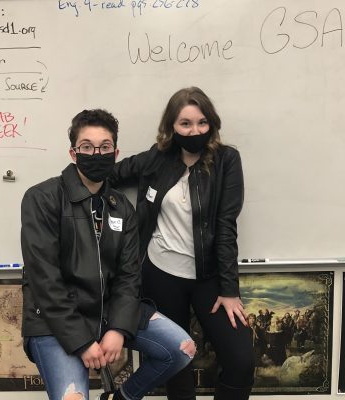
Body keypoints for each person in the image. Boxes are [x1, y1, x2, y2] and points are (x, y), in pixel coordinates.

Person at [20, 109, 196, 400]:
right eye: (87, 146)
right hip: (55, 320)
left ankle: (119, 398)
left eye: (104, 147)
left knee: (181, 349)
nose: (96, 153)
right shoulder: (42, 198)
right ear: (73, 153)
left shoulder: (122, 208)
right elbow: (45, 280)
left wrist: (117, 329)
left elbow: (129, 277)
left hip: (109, 313)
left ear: (115, 152)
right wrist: (81, 342)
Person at [109, 87, 255, 400]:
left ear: (212, 123)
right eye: (185, 124)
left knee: (241, 360)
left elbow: (226, 226)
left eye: (202, 122)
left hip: (210, 279)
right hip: (159, 275)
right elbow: (109, 175)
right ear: (171, 127)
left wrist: (229, 290)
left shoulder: (227, 160)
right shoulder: (157, 158)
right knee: (178, 362)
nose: (195, 131)